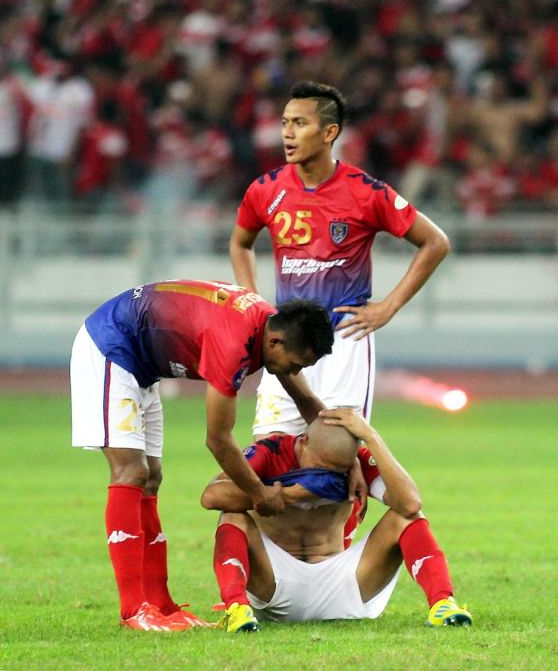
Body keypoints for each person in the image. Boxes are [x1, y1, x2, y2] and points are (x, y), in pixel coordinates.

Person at [72, 280, 334, 631]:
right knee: (130, 472)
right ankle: (134, 610)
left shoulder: (272, 328)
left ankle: (161, 605)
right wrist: (259, 494)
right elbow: (218, 440)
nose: (295, 372)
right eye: (296, 363)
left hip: (142, 364)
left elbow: (307, 404)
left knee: (151, 478)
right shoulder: (234, 342)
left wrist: (350, 458)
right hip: (112, 347)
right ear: (276, 342)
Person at [229, 81, 451, 440]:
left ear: (329, 132)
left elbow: (435, 242)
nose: (287, 133)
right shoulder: (265, 189)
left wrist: (389, 306)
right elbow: (241, 243)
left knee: (336, 455)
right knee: (270, 453)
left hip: (343, 339)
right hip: (285, 340)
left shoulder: (366, 191)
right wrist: (252, 302)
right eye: (285, 123)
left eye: (299, 123)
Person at [201, 409, 472, 630]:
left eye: (336, 473)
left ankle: (442, 604)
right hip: (274, 584)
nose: (325, 479)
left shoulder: (354, 463)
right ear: (304, 442)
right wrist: (284, 494)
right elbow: (211, 497)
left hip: (343, 585)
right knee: (232, 515)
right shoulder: (269, 453)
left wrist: (372, 439)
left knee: (407, 517)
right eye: (319, 469)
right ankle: (236, 609)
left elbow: (410, 504)